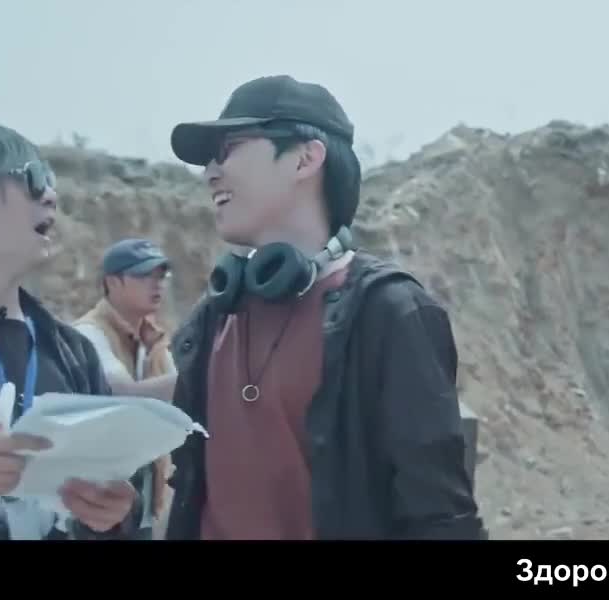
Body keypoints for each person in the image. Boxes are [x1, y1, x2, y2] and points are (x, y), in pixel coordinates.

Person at [162, 75, 485, 540]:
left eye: (228, 149)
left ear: (306, 158)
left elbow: (440, 517)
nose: (211, 173)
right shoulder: (211, 319)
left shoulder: (389, 314)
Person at [0, 119, 142, 540]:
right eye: (32, 178)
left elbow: (113, 495)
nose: (51, 195)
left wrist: (115, 513)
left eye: (51, 179)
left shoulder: (73, 353)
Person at [73, 238, 178, 539]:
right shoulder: (88, 333)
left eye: (161, 276)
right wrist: (206, 375)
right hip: (95, 495)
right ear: (112, 282)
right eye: (144, 275)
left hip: (143, 488)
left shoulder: (154, 339)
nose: (156, 284)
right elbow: (121, 394)